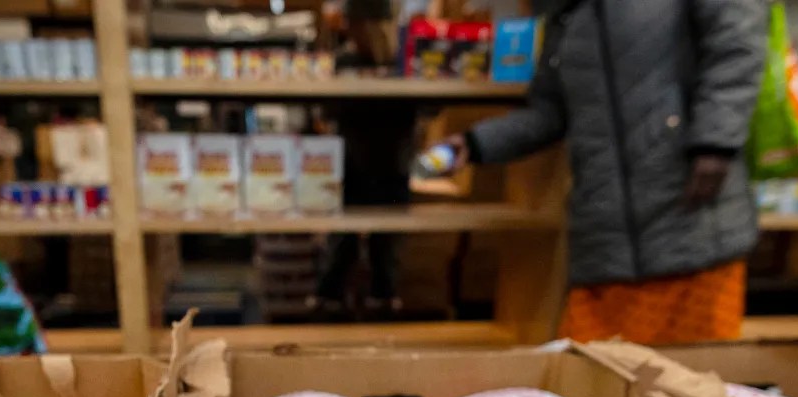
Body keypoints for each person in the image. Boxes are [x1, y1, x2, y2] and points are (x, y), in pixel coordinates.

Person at [440, 0, 767, 344]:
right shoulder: (568, 12)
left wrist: (715, 142)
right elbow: (551, 110)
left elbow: (737, 48)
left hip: (690, 224)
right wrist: (477, 143)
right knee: (592, 381)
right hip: (603, 243)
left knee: (689, 382)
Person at [310, 0, 416, 317]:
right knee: (344, 242)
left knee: (381, 246)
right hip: (360, 164)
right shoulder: (351, 60)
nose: (348, 29)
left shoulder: (403, 62)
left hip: (385, 165)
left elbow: (427, 107)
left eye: (353, 22)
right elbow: (328, 110)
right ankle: (332, 300)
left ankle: (376, 303)